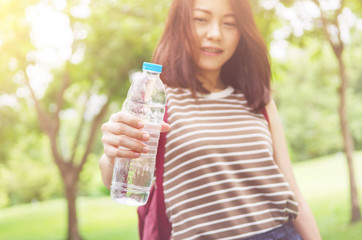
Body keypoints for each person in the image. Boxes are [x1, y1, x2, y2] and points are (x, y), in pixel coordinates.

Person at [99, 0, 322, 239]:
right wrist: (112, 152)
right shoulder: (154, 95)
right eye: (201, 19)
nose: (215, 34)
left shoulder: (258, 97)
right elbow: (113, 174)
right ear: (179, 24)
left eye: (229, 23)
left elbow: (293, 193)